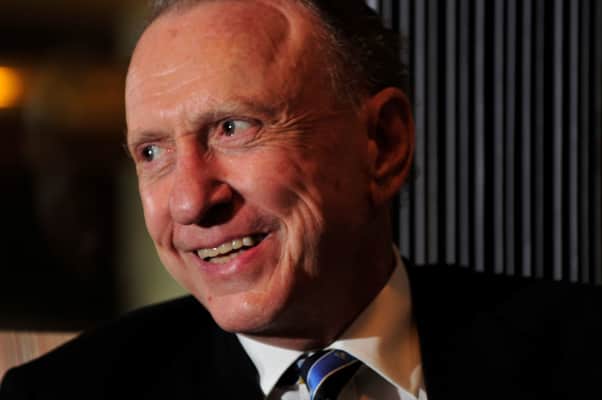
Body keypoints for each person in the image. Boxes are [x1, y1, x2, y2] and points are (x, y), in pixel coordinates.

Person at [1, 0, 601, 399]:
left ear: (383, 143)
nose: (188, 202)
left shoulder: (580, 350)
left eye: (233, 128)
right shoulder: (62, 394)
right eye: (152, 152)